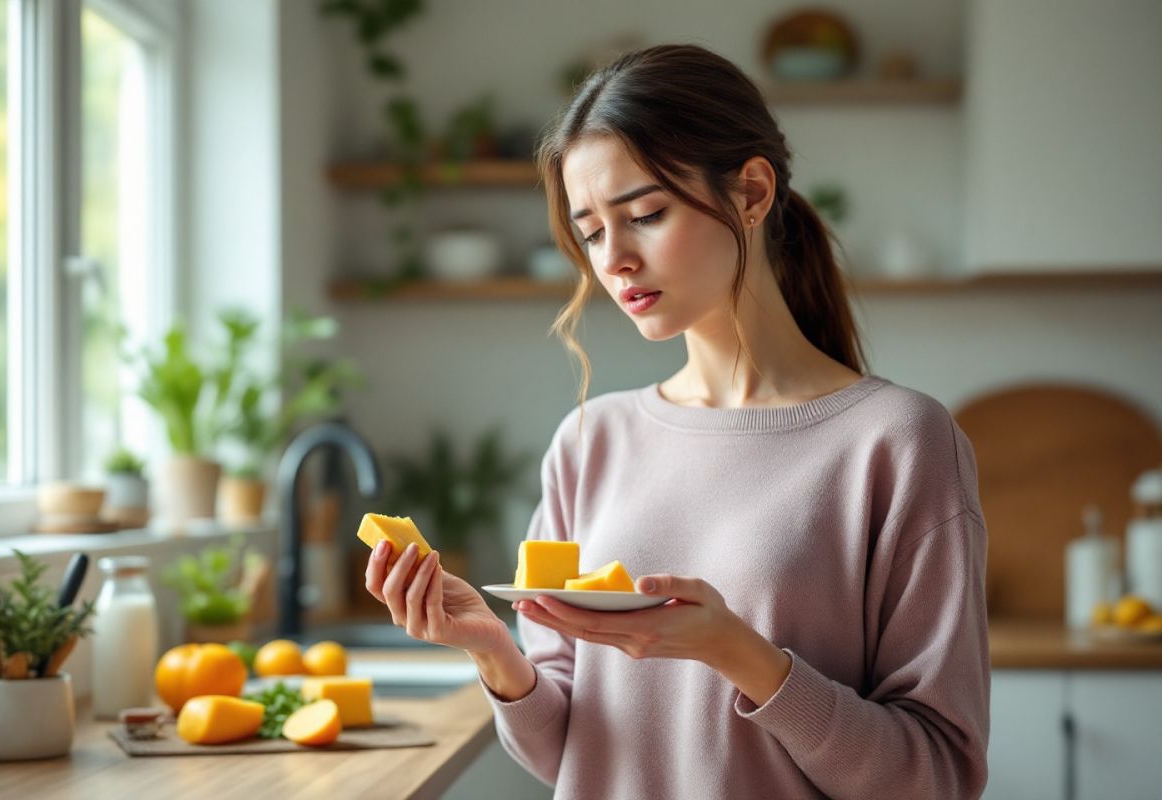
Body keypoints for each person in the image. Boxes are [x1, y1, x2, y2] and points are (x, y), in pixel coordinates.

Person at [366, 43, 989, 799]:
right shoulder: (591, 442)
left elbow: (937, 777)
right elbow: (569, 754)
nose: (614, 260)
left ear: (752, 192)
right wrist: (496, 654)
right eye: (592, 232)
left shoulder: (898, 442)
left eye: (645, 215)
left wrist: (739, 653)